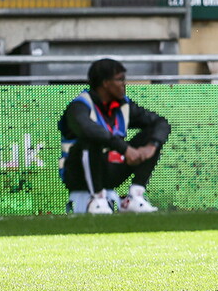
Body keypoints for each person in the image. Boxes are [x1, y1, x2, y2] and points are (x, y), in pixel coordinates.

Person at [59, 58, 169, 214]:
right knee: (93, 139)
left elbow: (161, 123)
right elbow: (88, 130)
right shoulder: (79, 106)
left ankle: (135, 195)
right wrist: (124, 149)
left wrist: (152, 146)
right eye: (120, 80)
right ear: (105, 83)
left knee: (152, 134)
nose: (124, 84)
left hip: (110, 170)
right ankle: (96, 198)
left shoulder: (123, 105)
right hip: (78, 174)